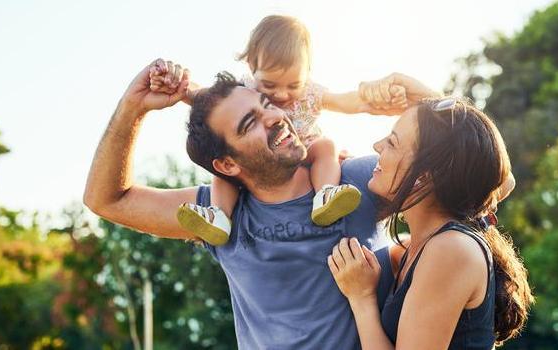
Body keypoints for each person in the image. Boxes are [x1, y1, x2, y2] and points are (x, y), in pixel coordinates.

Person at [84, 56, 426, 348]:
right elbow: (107, 199)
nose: (275, 118)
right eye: (251, 124)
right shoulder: (217, 216)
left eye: (267, 106)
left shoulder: (358, 181)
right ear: (228, 165)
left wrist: (422, 97)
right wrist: (133, 107)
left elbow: (462, 163)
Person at [148, 15, 407, 246]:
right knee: (225, 172)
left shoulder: (310, 93)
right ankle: (219, 216)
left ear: (307, 73)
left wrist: (372, 101)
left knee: (326, 146)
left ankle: (325, 194)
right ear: (252, 66)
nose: (282, 94)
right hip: (264, 160)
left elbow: (344, 101)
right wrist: (176, 84)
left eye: (293, 84)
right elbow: (204, 97)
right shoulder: (245, 91)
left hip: (304, 153)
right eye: (270, 85)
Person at [327, 89, 534, 349]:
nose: (377, 146)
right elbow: (496, 178)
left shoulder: (451, 250)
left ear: (424, 175)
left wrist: (362, 299)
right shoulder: (415, 250)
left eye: (392, 143)